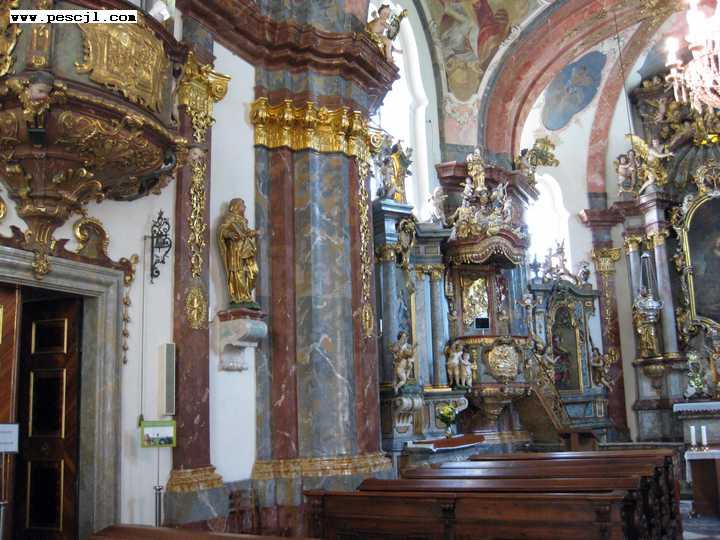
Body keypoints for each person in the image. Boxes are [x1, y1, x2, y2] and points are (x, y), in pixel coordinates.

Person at [217, 198, 259, 306]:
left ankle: (247, 294)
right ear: (235, 206)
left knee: (253, 271)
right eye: (242, 205)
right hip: (235, 250)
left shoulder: (243, 220)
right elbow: (222, 230)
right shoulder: (229, 217)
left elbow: (246, 232)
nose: (244, 207)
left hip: (246, 249)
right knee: (238, 272)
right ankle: (240, 297)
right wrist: (229, 234)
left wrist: (255, 232)